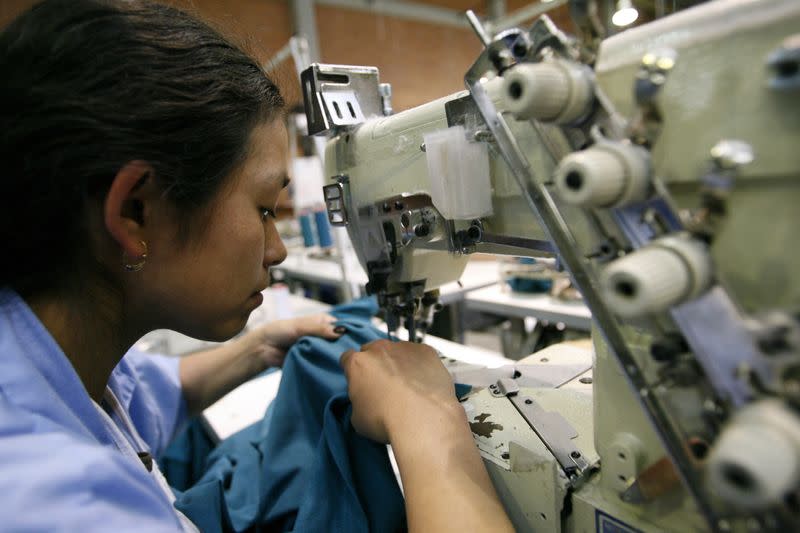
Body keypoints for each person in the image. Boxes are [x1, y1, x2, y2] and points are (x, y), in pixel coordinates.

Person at [0, 0, 514, 531]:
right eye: (265, 209)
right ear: (134, 211)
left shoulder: (41, 348)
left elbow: (142, 393)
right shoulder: (58, 504)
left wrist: (260, 348)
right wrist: (427, 424)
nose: (279, 249)